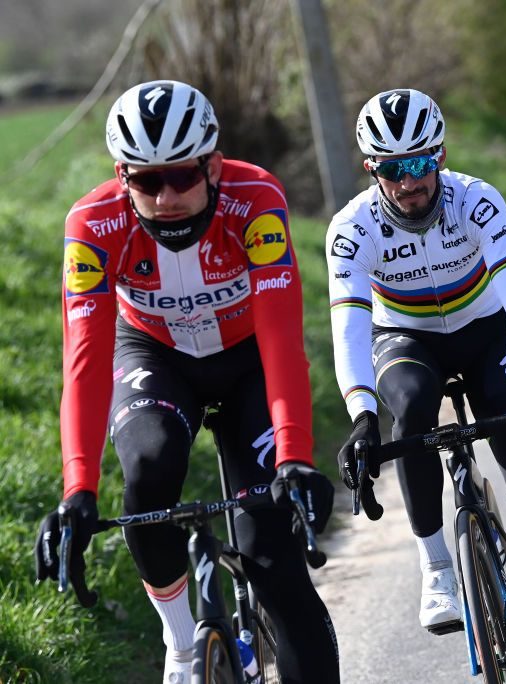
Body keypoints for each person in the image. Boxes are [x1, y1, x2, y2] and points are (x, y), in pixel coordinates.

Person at [33, 80, 340, 684]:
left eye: (181, 176)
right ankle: (180, 646)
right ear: (123, 177)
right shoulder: (93, 225)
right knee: (147, 472)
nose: (166, 197)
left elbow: (282, 335)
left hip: (248, 356)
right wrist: (78, 489)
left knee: (275, 565)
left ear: (214, 164)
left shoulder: (255, 198)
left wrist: (295, 455)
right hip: (155, 353)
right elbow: (86, 359)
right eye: (146, 181)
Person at [328, 88, 506, 684]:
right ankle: (436, 567)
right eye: (393, 170)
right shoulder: (352, 228)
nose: (409, 183)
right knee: (412, 407)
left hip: (485, 332)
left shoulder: (476, 201)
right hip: (406, 339)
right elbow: (347, 325)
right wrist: (360, 414)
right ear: (372, 170)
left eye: (421, 164)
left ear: (442, 156)